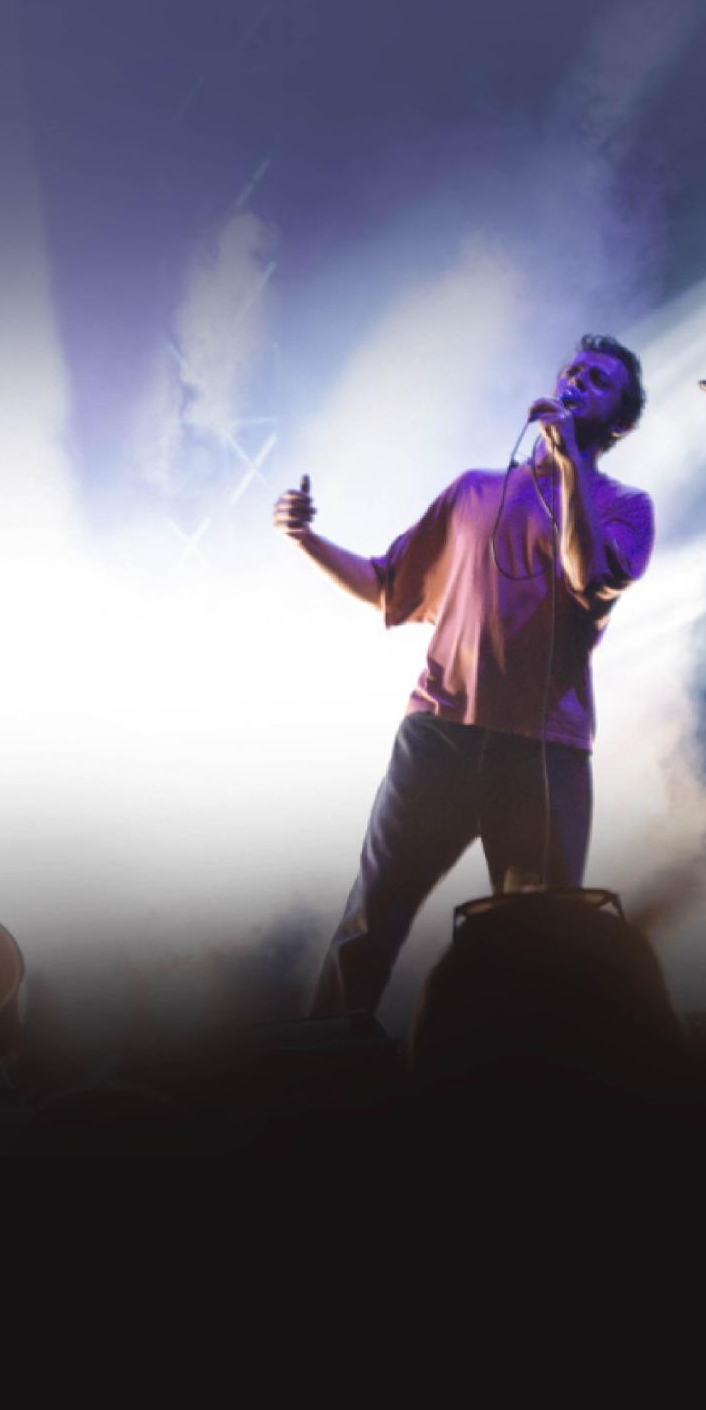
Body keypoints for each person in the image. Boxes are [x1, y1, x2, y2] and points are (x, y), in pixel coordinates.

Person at [274, 334, 654, 1016]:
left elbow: (585, 577)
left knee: (544, 950)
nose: (577, 381)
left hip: (544, 750)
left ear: (620, 422)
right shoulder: (475, 490)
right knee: (369, 923)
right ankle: (323, 1059)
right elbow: (386, 584)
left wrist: (570, 465)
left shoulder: (627, 507)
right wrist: (306, 540)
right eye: (573, 370)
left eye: (599, 381)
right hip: (439, 735)